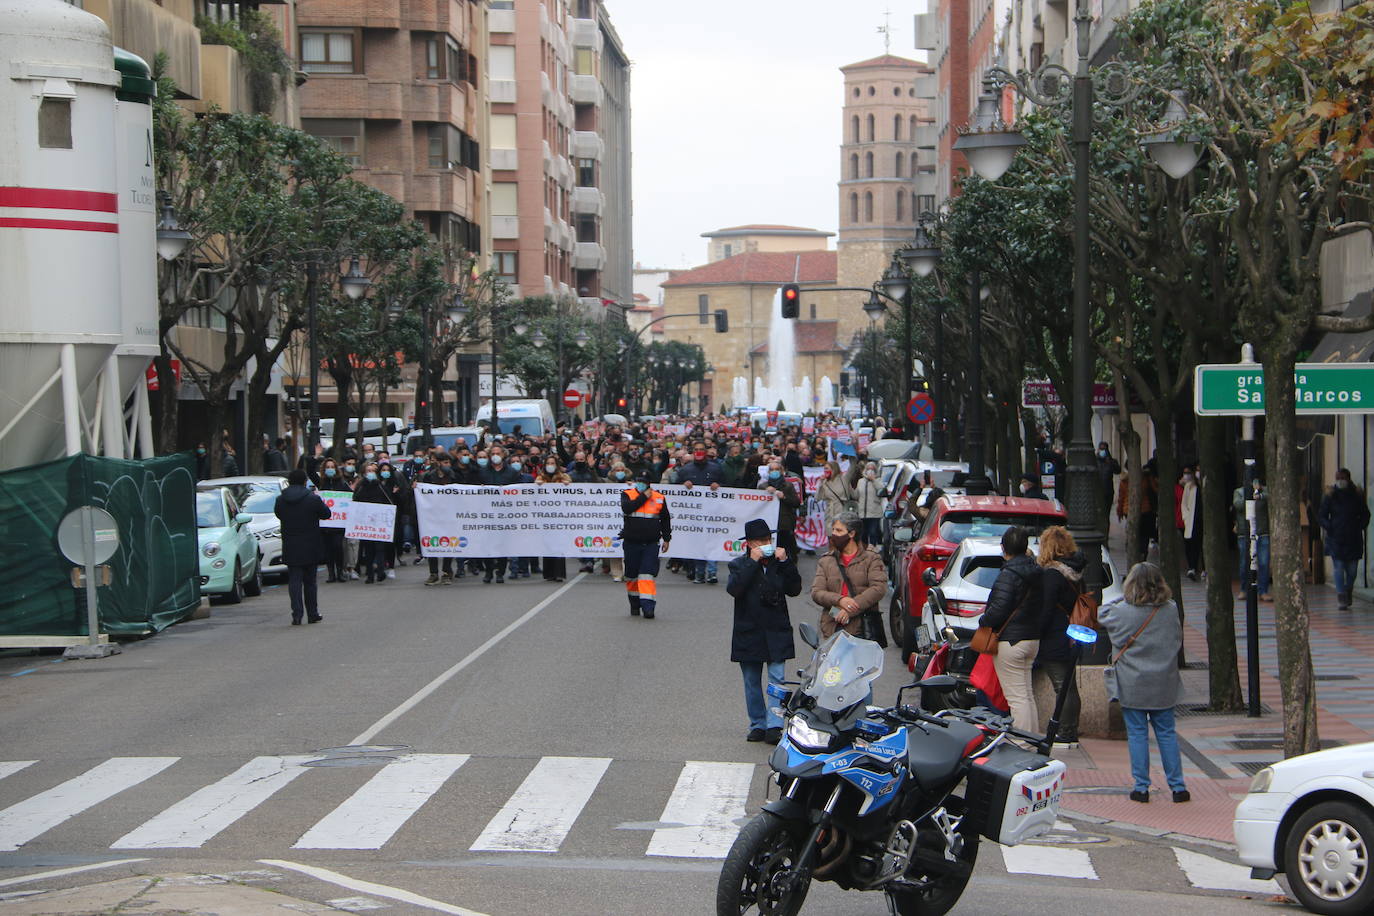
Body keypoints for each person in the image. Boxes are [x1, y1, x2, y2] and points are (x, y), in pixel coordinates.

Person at [1099, 562, 1189, 804]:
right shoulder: (1170, 609)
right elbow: (1176, 640)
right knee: (1167, 733)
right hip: (1164, 682)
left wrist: (1121, 598)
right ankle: (1178, 787)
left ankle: (1141, 787)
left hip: (1132, 682)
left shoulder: (1123, 611)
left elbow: (1101, 613)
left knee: (1137, 734)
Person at [728, 518, 801, 744]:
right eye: (760, 541)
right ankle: (757, 724)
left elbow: (795, 589)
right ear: (750, 544)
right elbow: (735, 589)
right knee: (751, 680)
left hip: (776, 629)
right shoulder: (739, 564)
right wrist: (752, 562)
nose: (766, 544)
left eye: (768, 539)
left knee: (777, 679)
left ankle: (775, 725)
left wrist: (786, 561)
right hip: (749, 631)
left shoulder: (779, 563)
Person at [981, 526, 1044, 733]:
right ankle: (1032, 739)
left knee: (1017, 697)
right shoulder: (1036, 571)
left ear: (1003, 548)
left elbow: (999, 608)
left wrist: (984, 620)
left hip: (1011, 640)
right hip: (1031, 638)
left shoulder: (1009, 574)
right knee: (1026, 694)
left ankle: (1022, 742)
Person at [1036, 526, 1084, 747]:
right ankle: (1070, 727)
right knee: (1069, 685)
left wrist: (1037, 631)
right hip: (1072, 634)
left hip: (1055, 636)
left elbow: (1044, 610)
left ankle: (1065, 730)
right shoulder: (1075, 573)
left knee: (1061, 685)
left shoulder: (1052, 575)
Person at [810, 511, 888, 641]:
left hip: (862, 630)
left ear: (852, 534)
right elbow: (817, 592)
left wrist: (850, 609)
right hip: (832, 628)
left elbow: (878, 588)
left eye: (839, 531)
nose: (834, 534)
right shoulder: (826, 560)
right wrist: (840, 600)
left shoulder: (871, 558)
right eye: (833, 530)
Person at [274, 469, 331, 625]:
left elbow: (279, 514)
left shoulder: (281, 499)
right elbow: (326, 514)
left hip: (291, 543)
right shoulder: (312, 499)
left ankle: (296, 614)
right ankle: (312, 613)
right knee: (310, 581)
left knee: (294, 580)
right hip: (310, 543)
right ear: (305, 481)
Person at [619, 469, 672, 619]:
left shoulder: (659, 498)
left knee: (647, 575)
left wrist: (667, 538)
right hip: (631, 542)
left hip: (651, 543)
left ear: (649, 483)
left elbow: (665, 519)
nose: (641, 484)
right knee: (631, 576)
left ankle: (648, 607)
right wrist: (643, 497)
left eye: (644, 482)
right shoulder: (627, 494)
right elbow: (627, 509)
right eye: (639, 481)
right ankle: (635, 604)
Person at [1319, 468, 1370, 609]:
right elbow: (1322, 515)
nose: (1340, 481)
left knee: (1352, 570)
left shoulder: (1357, 495)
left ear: (1348, 479)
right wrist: (1330, 527)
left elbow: (1365, 514)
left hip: (1353, 538)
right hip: (1336, 538)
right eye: (1338, 478)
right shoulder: (1330, 495)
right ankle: (1341, 596)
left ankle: (1348, 589)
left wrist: (1359, 526)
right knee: (1339, 568)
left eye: (1343, 478)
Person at [677, 446, 724, 584]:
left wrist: (718, 484)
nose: (699, 452)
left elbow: (728, 485)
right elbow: (674, 489)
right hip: (693, 514)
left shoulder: (715, 468)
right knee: (697, 544)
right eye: (696, 449)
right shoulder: (686, 470)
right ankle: (699, 573)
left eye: (701, 449)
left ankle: (712, 573)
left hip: (712, 513)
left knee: (711, 543)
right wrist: (683, 484)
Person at [352, 462, 395, 584]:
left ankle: (380, 571)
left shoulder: (381, 486)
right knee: (368, 550)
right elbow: (355, 501)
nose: (370, 473)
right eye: (368, 471)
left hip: (379, 522)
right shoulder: (361, 487)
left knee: (380, 548)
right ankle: (370, 574)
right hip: (366, 523)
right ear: (364, 473)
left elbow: (388, 501)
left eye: (372, 471)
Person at [1232, 477, 1271, 600]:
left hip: (1262, 532)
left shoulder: (1264, 491)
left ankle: (1263, 591)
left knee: (1264, 563)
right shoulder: (1239, 492)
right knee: (1245, 563)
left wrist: (1259, 494)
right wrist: (1249, 496)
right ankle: (1244, 589)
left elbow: (1270, 497)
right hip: (1245, 533)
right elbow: (1238, 505)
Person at [537, 458, 572, 582]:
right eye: (548, 463)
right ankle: (549, 573)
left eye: (552, 463)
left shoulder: (564, 477)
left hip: (560, 517)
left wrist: (567, 485)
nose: (550, 465)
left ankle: (559, 573)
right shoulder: (540, 478)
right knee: (547, 544)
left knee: (559, 544)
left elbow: (572, 493)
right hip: (545, 517)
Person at [760, 459, 803, 557]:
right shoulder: (763, 487)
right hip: (768, 523)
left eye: (777, 469)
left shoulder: (788, 486)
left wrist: (784, 497)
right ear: (768, 472)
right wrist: (765, 492)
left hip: (784, 524)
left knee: (785, 550)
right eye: (772, 469)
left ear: (781, 471)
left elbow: (796, 503)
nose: (774, 471)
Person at [1175, 466, 1202, 580]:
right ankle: (1192, 567)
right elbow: (1184, 504)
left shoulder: (1200, 486)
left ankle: (1196, 567)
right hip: (1190, 520)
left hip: (1200, 520)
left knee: (1197, 544)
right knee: (1189, 544)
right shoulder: (1188, 487)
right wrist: (1185, 517)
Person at [815, 460, 856, 527]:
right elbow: (817, 498)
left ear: (834, 469)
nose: (825, 471)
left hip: (843, 513)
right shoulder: (824, 482)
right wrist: (820, 484)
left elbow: (852, 466)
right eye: (824, 468)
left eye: (827, 468)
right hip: (830, 515)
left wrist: (852, 456)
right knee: (831, 535)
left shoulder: (844, 479)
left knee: (842, 533)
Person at [854, 461, 884, 548]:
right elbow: (856, 495)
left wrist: (873, 480)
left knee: (873, 532)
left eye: (872, 469)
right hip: (862, 513)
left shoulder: (878, 480)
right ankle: (864, 549)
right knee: (863, 534)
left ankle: (872, 550)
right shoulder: (861, 481)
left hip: (874, 512)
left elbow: (881, 490)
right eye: (868, 469)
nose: (870, 471)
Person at [1096, 442, 1121, 539]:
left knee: (1106, 515)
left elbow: (1118, 470)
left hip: (1108, 492)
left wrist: (1109, 461)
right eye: (1101, 449)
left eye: (1104, 449)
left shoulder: (1111, 461)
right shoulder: (1095, 460)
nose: (1102, 451)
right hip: (1097, 493)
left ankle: (1105, 535)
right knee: (1098, 515)